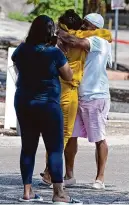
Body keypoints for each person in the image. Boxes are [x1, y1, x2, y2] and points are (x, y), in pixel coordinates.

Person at [12, 15, 82, 204]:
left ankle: (27, 192)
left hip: (24, 102)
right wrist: (61, 52)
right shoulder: (54, 52)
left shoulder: (21, 50)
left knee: (28, 148)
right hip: (48, 104)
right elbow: (68, 76)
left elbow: (19, 65)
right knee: (55, 148)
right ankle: (59, 194)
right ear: (50, 32)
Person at [40, 10, 112, 187]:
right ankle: (69, 175)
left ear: (94, 27)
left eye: (85, 25)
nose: (82, 27)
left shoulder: (99, 40)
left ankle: (99, 178)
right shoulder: (82, 37)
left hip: (95, 95)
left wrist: (60, 31)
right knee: (70, 136)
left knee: (99, 138)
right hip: (76, 94)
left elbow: (74, 40)